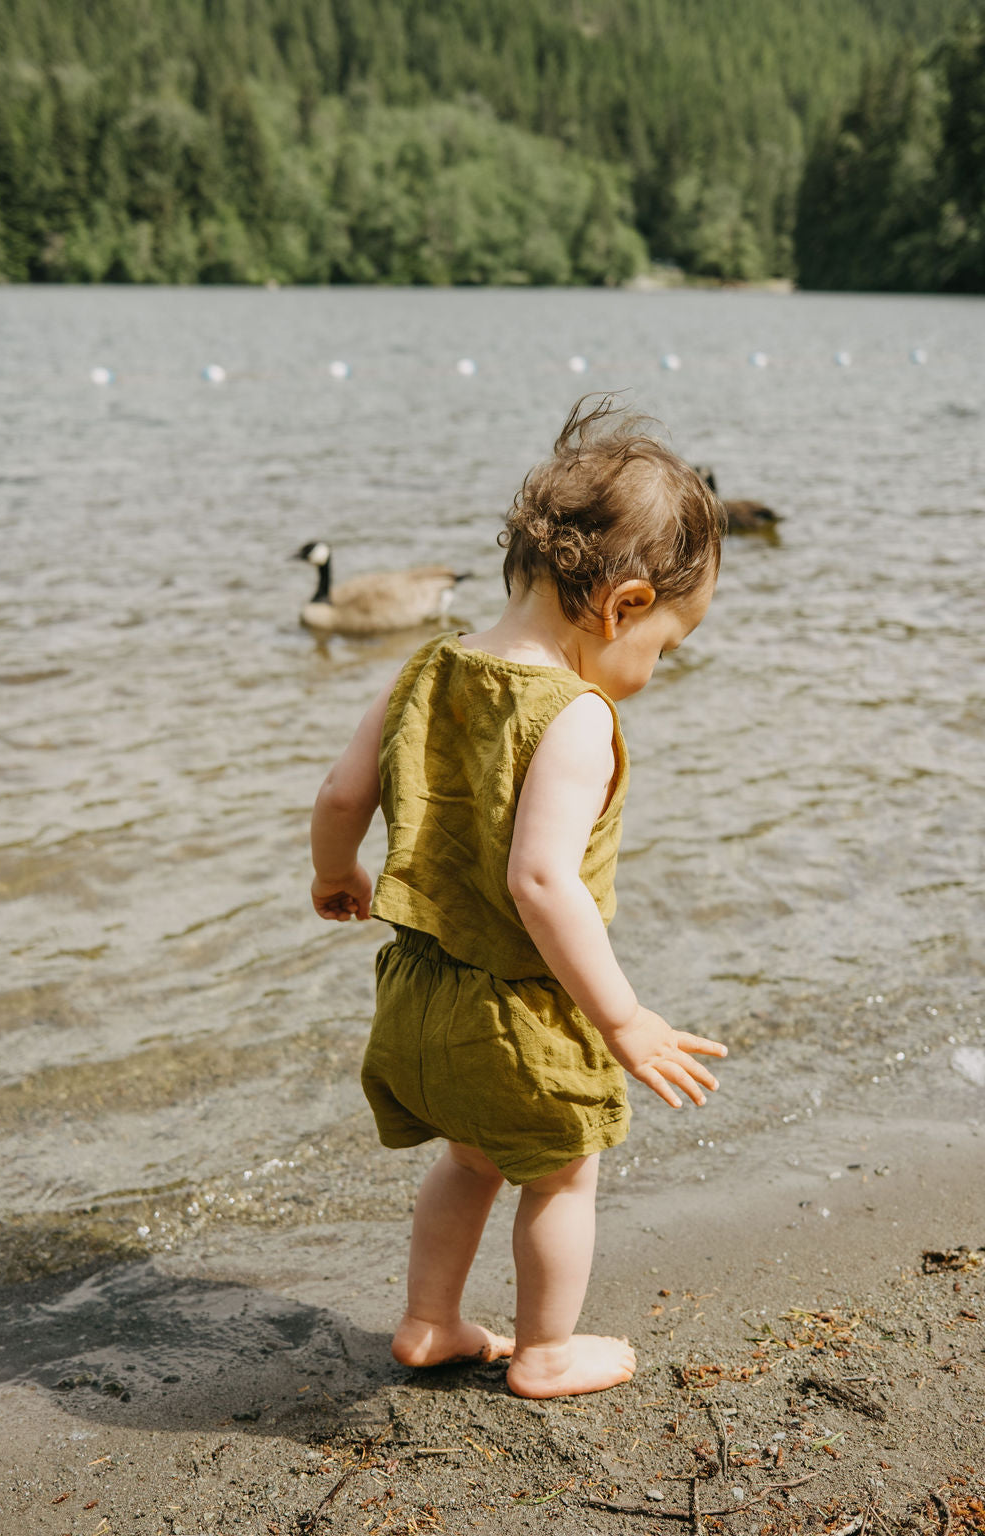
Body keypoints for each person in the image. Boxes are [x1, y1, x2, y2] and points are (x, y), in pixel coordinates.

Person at [309, 396, 728, 1399]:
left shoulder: (426, 664)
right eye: (663, 647)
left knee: (467, 1161)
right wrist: (621, 1019)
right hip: (522, 1014)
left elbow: (337, 793)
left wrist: (337, 875)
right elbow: (539, 881)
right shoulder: (572, 715)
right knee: (561, 1171)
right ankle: (545, 1350)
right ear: (623, 605)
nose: (652, 672)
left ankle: (427, 1322)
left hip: (416, 997)